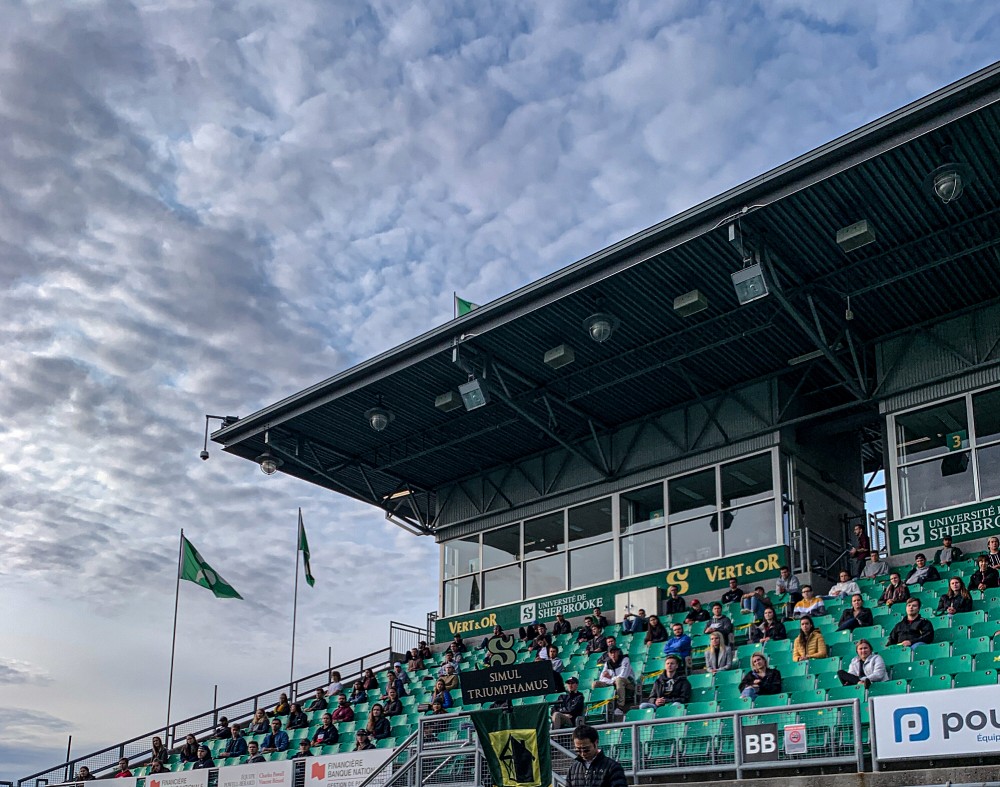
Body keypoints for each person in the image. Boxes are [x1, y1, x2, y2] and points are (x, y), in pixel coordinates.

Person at [592, 645, 634, 719]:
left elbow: (623, 676)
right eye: (611, 653)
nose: (613, 654)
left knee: (619, 680)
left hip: (629, 684)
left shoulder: (625, 659)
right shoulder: (607, 663)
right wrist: (612, 681)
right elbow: (602, 678)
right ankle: (597, 708)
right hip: (614, 684)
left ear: (618, 652)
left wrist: (611, 678)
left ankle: (620, 707)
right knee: (595, 683)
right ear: (608, 654)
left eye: (614, 652)